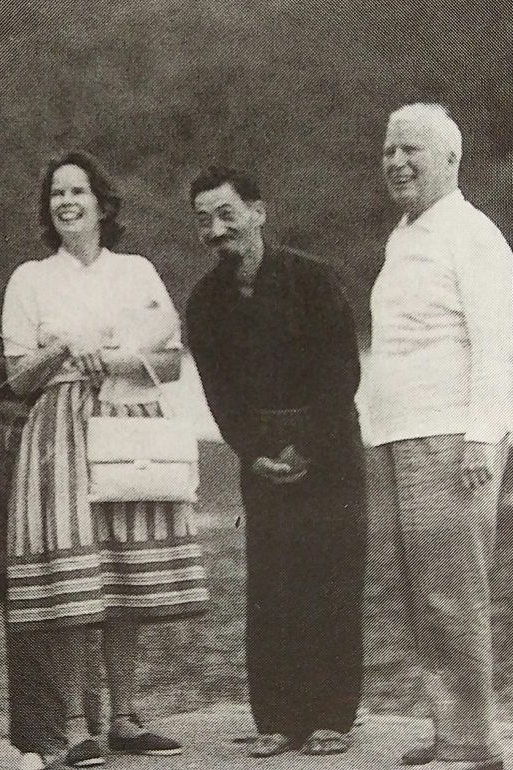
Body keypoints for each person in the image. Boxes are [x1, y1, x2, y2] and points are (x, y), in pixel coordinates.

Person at [0, 150, 208, 768]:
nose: (67, 203)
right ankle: (70, 727)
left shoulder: (136, 271)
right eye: (56, 194)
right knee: (72, 571)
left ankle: (125, 715)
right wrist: (66, 347)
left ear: (102, 204)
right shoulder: (30, 279)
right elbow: (17, 378)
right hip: (59, 429)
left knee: (123, 569)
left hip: (129, 421)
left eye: (78, 192)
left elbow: (171, 362)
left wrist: (113, 359)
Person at [185, 167, 367, 758]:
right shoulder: (204, 301)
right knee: (271, 583)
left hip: (329, 443)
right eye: (204, 220)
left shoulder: (313, 279)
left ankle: (333, 715)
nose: (216, 230)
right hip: (259, 451)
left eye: (227, 214)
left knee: (332, 575)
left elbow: (342, 373)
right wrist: (252, 451)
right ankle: (278, 717)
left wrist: (305, 447)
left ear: (258, 212)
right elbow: (218, 393)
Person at [368, 104, 513, 769]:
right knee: (421, 594)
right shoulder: (405, 236)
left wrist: (482, 437)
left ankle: (475, 743)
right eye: (390, 150)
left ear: (452, 159)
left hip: (451, 439)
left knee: (454, 594)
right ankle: (450, 730)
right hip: (400, 436)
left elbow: (496, 347)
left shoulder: (473, 235)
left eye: (413, 150)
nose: (398, 162)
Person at [0, 361, 105, 770]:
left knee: (78, 638)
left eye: (20, 419)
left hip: (64, 547)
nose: (11, 428)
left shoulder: (60, 441)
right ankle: (36, 739)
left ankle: (83, 730)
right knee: (27, 648)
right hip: (14, 557)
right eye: (1, 416)